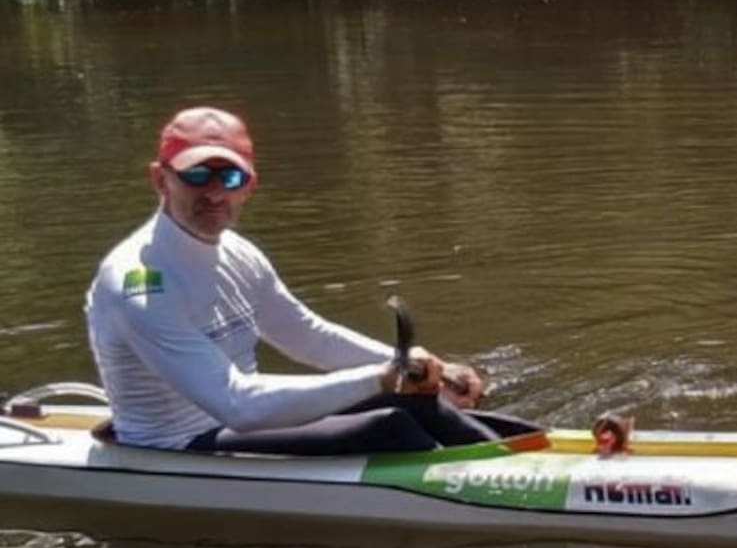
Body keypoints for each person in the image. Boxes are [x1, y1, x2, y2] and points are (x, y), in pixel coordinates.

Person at [85, 106, 502, 455]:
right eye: (196, 176)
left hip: (242, 419)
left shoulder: (238, 253)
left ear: (249, 186)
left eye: (229, 178)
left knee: (418, 402)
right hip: (178, 444)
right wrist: (381, 377)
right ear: (161, 179)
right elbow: (238, 406)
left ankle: (525, 456)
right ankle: (502, 490)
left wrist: (426, 368)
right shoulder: (138, 282)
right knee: (390, 423)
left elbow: (308, 337)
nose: (213, 193)